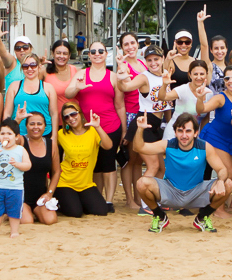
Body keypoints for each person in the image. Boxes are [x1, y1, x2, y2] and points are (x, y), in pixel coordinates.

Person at [133, 113, 232, 233]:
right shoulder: (168, 145)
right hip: (170, 191)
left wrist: (220, 181)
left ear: (195, 133)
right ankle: (160, 216)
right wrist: (140, 129)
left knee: (228, 184)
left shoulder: (204, 147)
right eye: (180, 131)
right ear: (175, 133)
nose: (184, 135)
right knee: (142, 183)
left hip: (197, 191)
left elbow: (222, 169)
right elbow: (139, 148)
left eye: (188, 131)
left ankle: (202, 216)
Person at [65, 41, 126, 212]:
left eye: (100, 51)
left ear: (106, 54)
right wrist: (77, 88)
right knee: (95, 165)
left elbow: (120, 105)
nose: (97, 54)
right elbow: (68, 93)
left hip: (110, 126)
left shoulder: (113, 76)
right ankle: (97, 197)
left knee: (108, 164)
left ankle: (109, 200)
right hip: (87, 128)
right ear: (89, 55)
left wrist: (124, 130)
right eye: (93, 51)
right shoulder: (81, 74)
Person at [115, 45, 169, 212]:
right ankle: (146, 205)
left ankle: (155, 200)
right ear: (145, 62)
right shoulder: (144, 77)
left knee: (161, 168)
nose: (153, 63)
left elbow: (166, 105)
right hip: (144, 124)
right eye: (149, 60)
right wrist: (121, 71)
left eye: (156, 59)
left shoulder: (165, 75)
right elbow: (126, 87)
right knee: (152, 166)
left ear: (162, 59)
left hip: (156, 126)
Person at [195, 64, 232, 217]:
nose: (230, 81)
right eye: (227, 78)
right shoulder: (220, 97)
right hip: (215, 137)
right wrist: (199, 98)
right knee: (228, 171)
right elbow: (202, 109)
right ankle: (218, 209)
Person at [56, 102, 114, 217]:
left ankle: (74, 201)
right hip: (65, 182)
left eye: (73, 114)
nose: (70, 118)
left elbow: (108, 146)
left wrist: (98, 127)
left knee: (101, 211)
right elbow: (51, 151)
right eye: (66, 117)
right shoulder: (61, 134)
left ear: (80, 113)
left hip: (86, 183)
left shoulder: (92, 131)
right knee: (75, 213)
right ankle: (62, 201)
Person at [114, 31, 149, 209]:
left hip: (144, 115)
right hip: (131, 116)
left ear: (137, 44)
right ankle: (129, 199)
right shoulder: (124, 67)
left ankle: (137, 197)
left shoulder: (142, 63)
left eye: (132, 43)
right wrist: (124, 129)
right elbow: (119, 102)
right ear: (121, 48)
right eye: (126, 44)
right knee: (129, 161)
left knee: (138, 161)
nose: (130, 47)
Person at [0, 120, 31, 238]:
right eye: (2, 133)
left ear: (17, 137)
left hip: (15, 188)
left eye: (9, 133)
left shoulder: (20, 150)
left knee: (14, 210)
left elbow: (28, 165)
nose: (5, 136)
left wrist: (17, 164)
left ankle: (14, 231)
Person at [4, 52, 58, 140]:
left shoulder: (48, 88)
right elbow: (7, 113)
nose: (29, 69)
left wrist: (54, 137)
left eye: (33, 65)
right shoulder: (14, 87)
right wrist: (6, 133)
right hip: (20, 134)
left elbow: (54, 114)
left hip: (44, 134)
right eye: (25, 66)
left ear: (39, 67)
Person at [18, 113, 60, 225]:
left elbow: (56, 171)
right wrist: (18, 119)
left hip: (40, 196)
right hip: (20, 195)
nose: (36, 127)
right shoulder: (21, 141)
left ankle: (32, 211)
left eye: (39, 124)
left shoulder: (51, 144)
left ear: (45, 126)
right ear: (26, 126)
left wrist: (49, 193)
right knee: (27, 221)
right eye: (32, 124)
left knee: (50, 220)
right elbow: (9, 135)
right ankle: (11, 211)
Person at [159, 60, 212, 142]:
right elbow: (163, 97)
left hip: (192, 136)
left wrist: (201, 137)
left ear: (206, 74)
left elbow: (205, 118)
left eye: (202, 74)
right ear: (190, 74)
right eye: (195, 74)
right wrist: (164, 84)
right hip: (173, 134)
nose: (198, 77)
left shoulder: (209, 93)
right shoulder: (183, 89)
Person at [0, 22, 31, 95]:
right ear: (14, 51)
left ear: (30, 48)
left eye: (25, 47)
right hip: (11, 101)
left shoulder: (37, 65)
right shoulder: (12, 63)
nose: (22, 50)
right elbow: (3, 54)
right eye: (18, 48)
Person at [43, 39, 79, 106]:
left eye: (65, 54)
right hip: (52, 112)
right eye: (58, 53)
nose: (61, 56)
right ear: (52, 53)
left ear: (69, 55)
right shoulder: (44, 72)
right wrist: (37, 64)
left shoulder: (76, 71)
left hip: (73, 112)